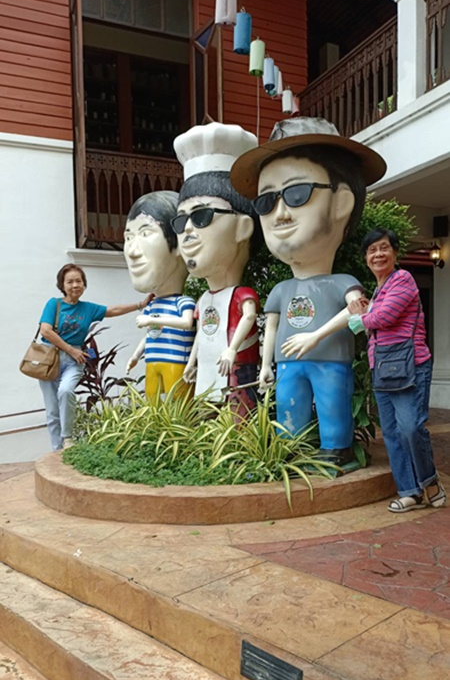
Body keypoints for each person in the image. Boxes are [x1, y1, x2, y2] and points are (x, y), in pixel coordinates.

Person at [230, 116, 387, 464]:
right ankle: (291, 451)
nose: (280, 214)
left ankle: (335, 451)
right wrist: (266, 364)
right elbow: (271, 327)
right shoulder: (281, 288)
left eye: (297, 193)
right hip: (288, 363)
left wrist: (314, 337)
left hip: (331, 359)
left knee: (332, 404)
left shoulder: (342, 282)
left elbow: (358, 309)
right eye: (266, 201)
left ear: (341, 203)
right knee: (289, 407)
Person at [346, 228, 447, 511]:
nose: (378, 254)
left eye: (383, 248)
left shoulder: (403, 279)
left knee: (410, 427)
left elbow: (384, 317)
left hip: (410, 365)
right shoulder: (379, 290)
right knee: (391, 432)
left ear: (395, 252)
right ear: (366, 257)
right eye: (372, 250)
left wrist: (360, 317)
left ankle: (430, 482)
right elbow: (376, 325)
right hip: (382, 367)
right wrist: (367, 315)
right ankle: (409, 492)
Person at [172, 122, 262, 416]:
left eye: (202, 216)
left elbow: (249, 316)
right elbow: (202, 332)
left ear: (243, 227)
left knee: (239, 415)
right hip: (209, 365)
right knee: (208, 414)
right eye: (180, 221)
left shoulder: (242, 293)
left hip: (238, 364)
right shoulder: (203, 299)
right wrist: (192, 362)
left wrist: (232, 348)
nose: (187, 230)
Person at [39, 264, 151, 451]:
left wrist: (140, 304)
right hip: (50, 358)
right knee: (52, 409)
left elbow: (113, 310)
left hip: (74, 361)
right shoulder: (54, 304)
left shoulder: (88, 309)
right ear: (62, 285)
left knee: (66, 391)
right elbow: (45, 331)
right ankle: (56, 451)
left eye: (79, 281)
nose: (75, 285)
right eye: (70, 282)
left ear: (84, 284)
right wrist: (70, 349)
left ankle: (67, 438)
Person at [123, 191, 196, 400]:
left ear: (179, 242)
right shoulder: (153, 305)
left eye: (146, 233)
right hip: (152, 361)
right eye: (128, 237)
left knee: (179, 405)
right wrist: (136, 355)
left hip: (177, 361)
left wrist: (152, 319)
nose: (132, 251)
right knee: (152, 403)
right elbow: (150, 334)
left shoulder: (184, 302)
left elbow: (187, 323)